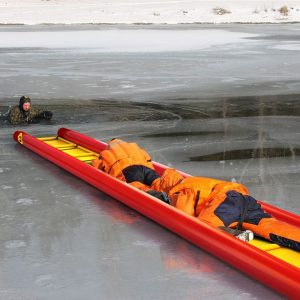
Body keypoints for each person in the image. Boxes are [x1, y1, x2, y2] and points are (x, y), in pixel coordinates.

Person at [151, 168, 300, 250]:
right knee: (270, 226)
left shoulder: (181, 189)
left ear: (167, 185)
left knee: (203, 227)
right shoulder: (194, 181)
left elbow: (184, 217)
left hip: (226, 202)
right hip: (243, 200)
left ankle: (235, 235)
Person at [91, 138, 169, 203]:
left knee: (137, 186)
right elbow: (148, 158)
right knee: (158, 182)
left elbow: (96, 165)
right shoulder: (134, 147)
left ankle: (158, 196)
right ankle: (171, 193)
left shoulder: (107, 152)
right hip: (145, 168)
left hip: (129, 171)